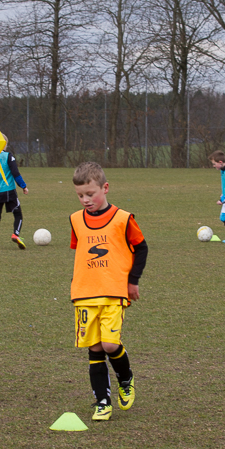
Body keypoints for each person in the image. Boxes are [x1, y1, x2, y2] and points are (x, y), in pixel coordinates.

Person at [70, 162, 148, 421]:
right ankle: (102, 402)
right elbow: (81, 252)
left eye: (90, 194)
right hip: (84, 294)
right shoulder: (76, 220)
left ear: (105, 188)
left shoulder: (123, 219)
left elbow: (141, 248)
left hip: (114, 292)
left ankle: (125, 378)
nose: (85, 200)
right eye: (80, 195)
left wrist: (133, 281)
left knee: (110, 344)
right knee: (94, 349)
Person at [0, 137, 29, 249]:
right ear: (4, 144)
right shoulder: (8, 156)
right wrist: (23, 186)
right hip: (9, 191)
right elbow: (16, 173)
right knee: (18, 214)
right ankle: (15, 234)